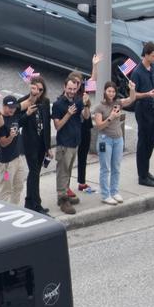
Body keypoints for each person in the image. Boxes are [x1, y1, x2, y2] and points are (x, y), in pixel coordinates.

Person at [123, 47, 154, 185]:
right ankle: (142, 177)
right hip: (143, 110)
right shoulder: (137, 72)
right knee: (143, 143)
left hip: (153, 108)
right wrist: (147, 94)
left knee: (151, 141)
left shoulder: (153, 68)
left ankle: (146, 170)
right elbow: (134, 96)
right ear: (146, 55)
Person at [48, 75, 86, 214]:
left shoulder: (77, 100)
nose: (71, 91)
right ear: (64, 87)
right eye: (69, 88)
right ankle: (62, 199)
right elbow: (57, 126)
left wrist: (86, 105)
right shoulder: (59, 104)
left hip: (75, 142)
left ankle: (65, 194)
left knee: (68, 172)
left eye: (74, 89)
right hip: (64, 144)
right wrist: (68, 114)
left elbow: (86, 117)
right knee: (62, 172)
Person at [16, 72, 52, 210]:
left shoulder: (45, 102)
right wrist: (27, 114)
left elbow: (47, 125)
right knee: (34, 172)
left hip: (41, 143)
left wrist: (48, 146)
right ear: (31, 88)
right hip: (30, 143)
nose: (37, 92)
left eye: (41, 89)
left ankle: (30, 201)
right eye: (35, 88)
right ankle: (36, 204)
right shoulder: (24, 102)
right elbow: (18, 122)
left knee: (35, 173)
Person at [89, 80, 128, 205]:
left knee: (116, 167)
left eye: (113, 91)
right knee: (105, 168)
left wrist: (132, 89)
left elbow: (131, 99)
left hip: (118, 139)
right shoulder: (99, 107)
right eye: (109, 91)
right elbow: (99, 126)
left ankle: (114, 191)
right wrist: (111, 117)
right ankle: (105, 195)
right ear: (105, 92)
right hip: (105, 140)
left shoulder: (118, 103)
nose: (111, 93)